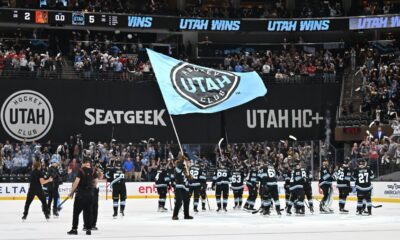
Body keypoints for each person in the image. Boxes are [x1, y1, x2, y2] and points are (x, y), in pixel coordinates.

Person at [67, 158, 98, 235]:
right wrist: (91, 187)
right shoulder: (93, 170)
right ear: (89, 164)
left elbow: (76, 182)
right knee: (88, 212)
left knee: (76, 213)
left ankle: (74, 229)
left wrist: (71, 192)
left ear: (84, 163)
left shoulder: (81, 170)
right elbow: (96, 182)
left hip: (81, 194)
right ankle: (88, 229)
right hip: (90, 195)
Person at [172, 154, 193, 220]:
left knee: (187, 202)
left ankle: (186, 215)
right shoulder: (178, 168)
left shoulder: (186, 170)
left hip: (186, 188)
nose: (188, 162)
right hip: (179, 187)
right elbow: (178, 169)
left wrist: (189, 178)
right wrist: (182, 161)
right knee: (178, 202)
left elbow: (188, 179)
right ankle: (174, 215)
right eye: (187, 161)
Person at [83, 160, 103, 231]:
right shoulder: (82, 171)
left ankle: (93, 224)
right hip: (87, 190)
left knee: (94, 208)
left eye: (89, 165)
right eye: (87, 165)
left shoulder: (93, 171)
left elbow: (100, 177)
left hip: (94, 190)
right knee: (87, 208)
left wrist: (99, 170)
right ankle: (86, 225)